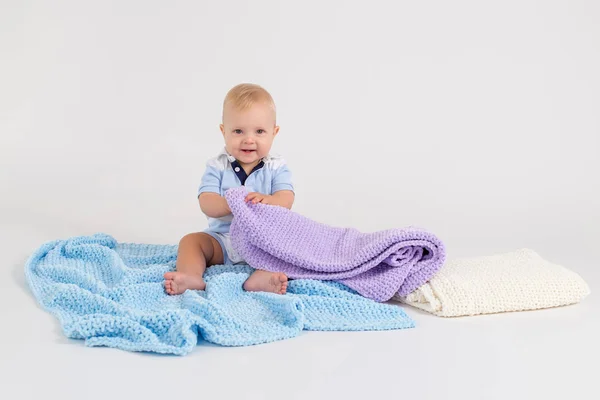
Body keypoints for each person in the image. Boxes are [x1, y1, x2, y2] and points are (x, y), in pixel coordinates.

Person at [164, 83, 294, 295]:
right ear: (224, 131)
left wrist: (266, 200)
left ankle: (262, 277)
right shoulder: (217, 165)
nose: (249, 139)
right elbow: (206, 201)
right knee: (191, 242)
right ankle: (191, 275)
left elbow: (286, 199)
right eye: (238, 131)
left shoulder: (276, 166)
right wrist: (230, 203)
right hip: (223, 240)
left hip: (263, 241)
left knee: (288, 246)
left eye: (260, 131)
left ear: (274, 132)